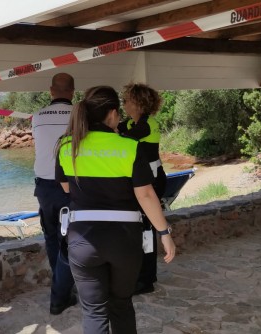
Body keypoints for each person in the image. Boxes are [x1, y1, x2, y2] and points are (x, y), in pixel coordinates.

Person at [56, 85, 176, 334]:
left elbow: (66, 187)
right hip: (124, 240)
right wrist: (164, 233)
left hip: (82, 240)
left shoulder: (66, 146)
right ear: (112, 113)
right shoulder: (129, 146)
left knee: (94, 311)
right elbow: (145, 195)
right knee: (121, 305)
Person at [31, 72, 77, 315]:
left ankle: (61, 283)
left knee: (51, 237)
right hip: (71, 185)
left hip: (45, 188)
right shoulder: (80, 116)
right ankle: (60, 294)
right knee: (72, 239)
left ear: (51, 91)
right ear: (72, 91)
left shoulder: (37, 116)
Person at [117, 83, 167, 295]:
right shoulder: (132, 123)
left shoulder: (148, 124)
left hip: (152, 181)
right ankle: (146, 274)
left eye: (127, 100)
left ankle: (145, 280)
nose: (124, 104)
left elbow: (124, 138)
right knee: (143, 228)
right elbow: (118, 131)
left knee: (147, 229)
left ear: (138, 103)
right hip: (145, 180)